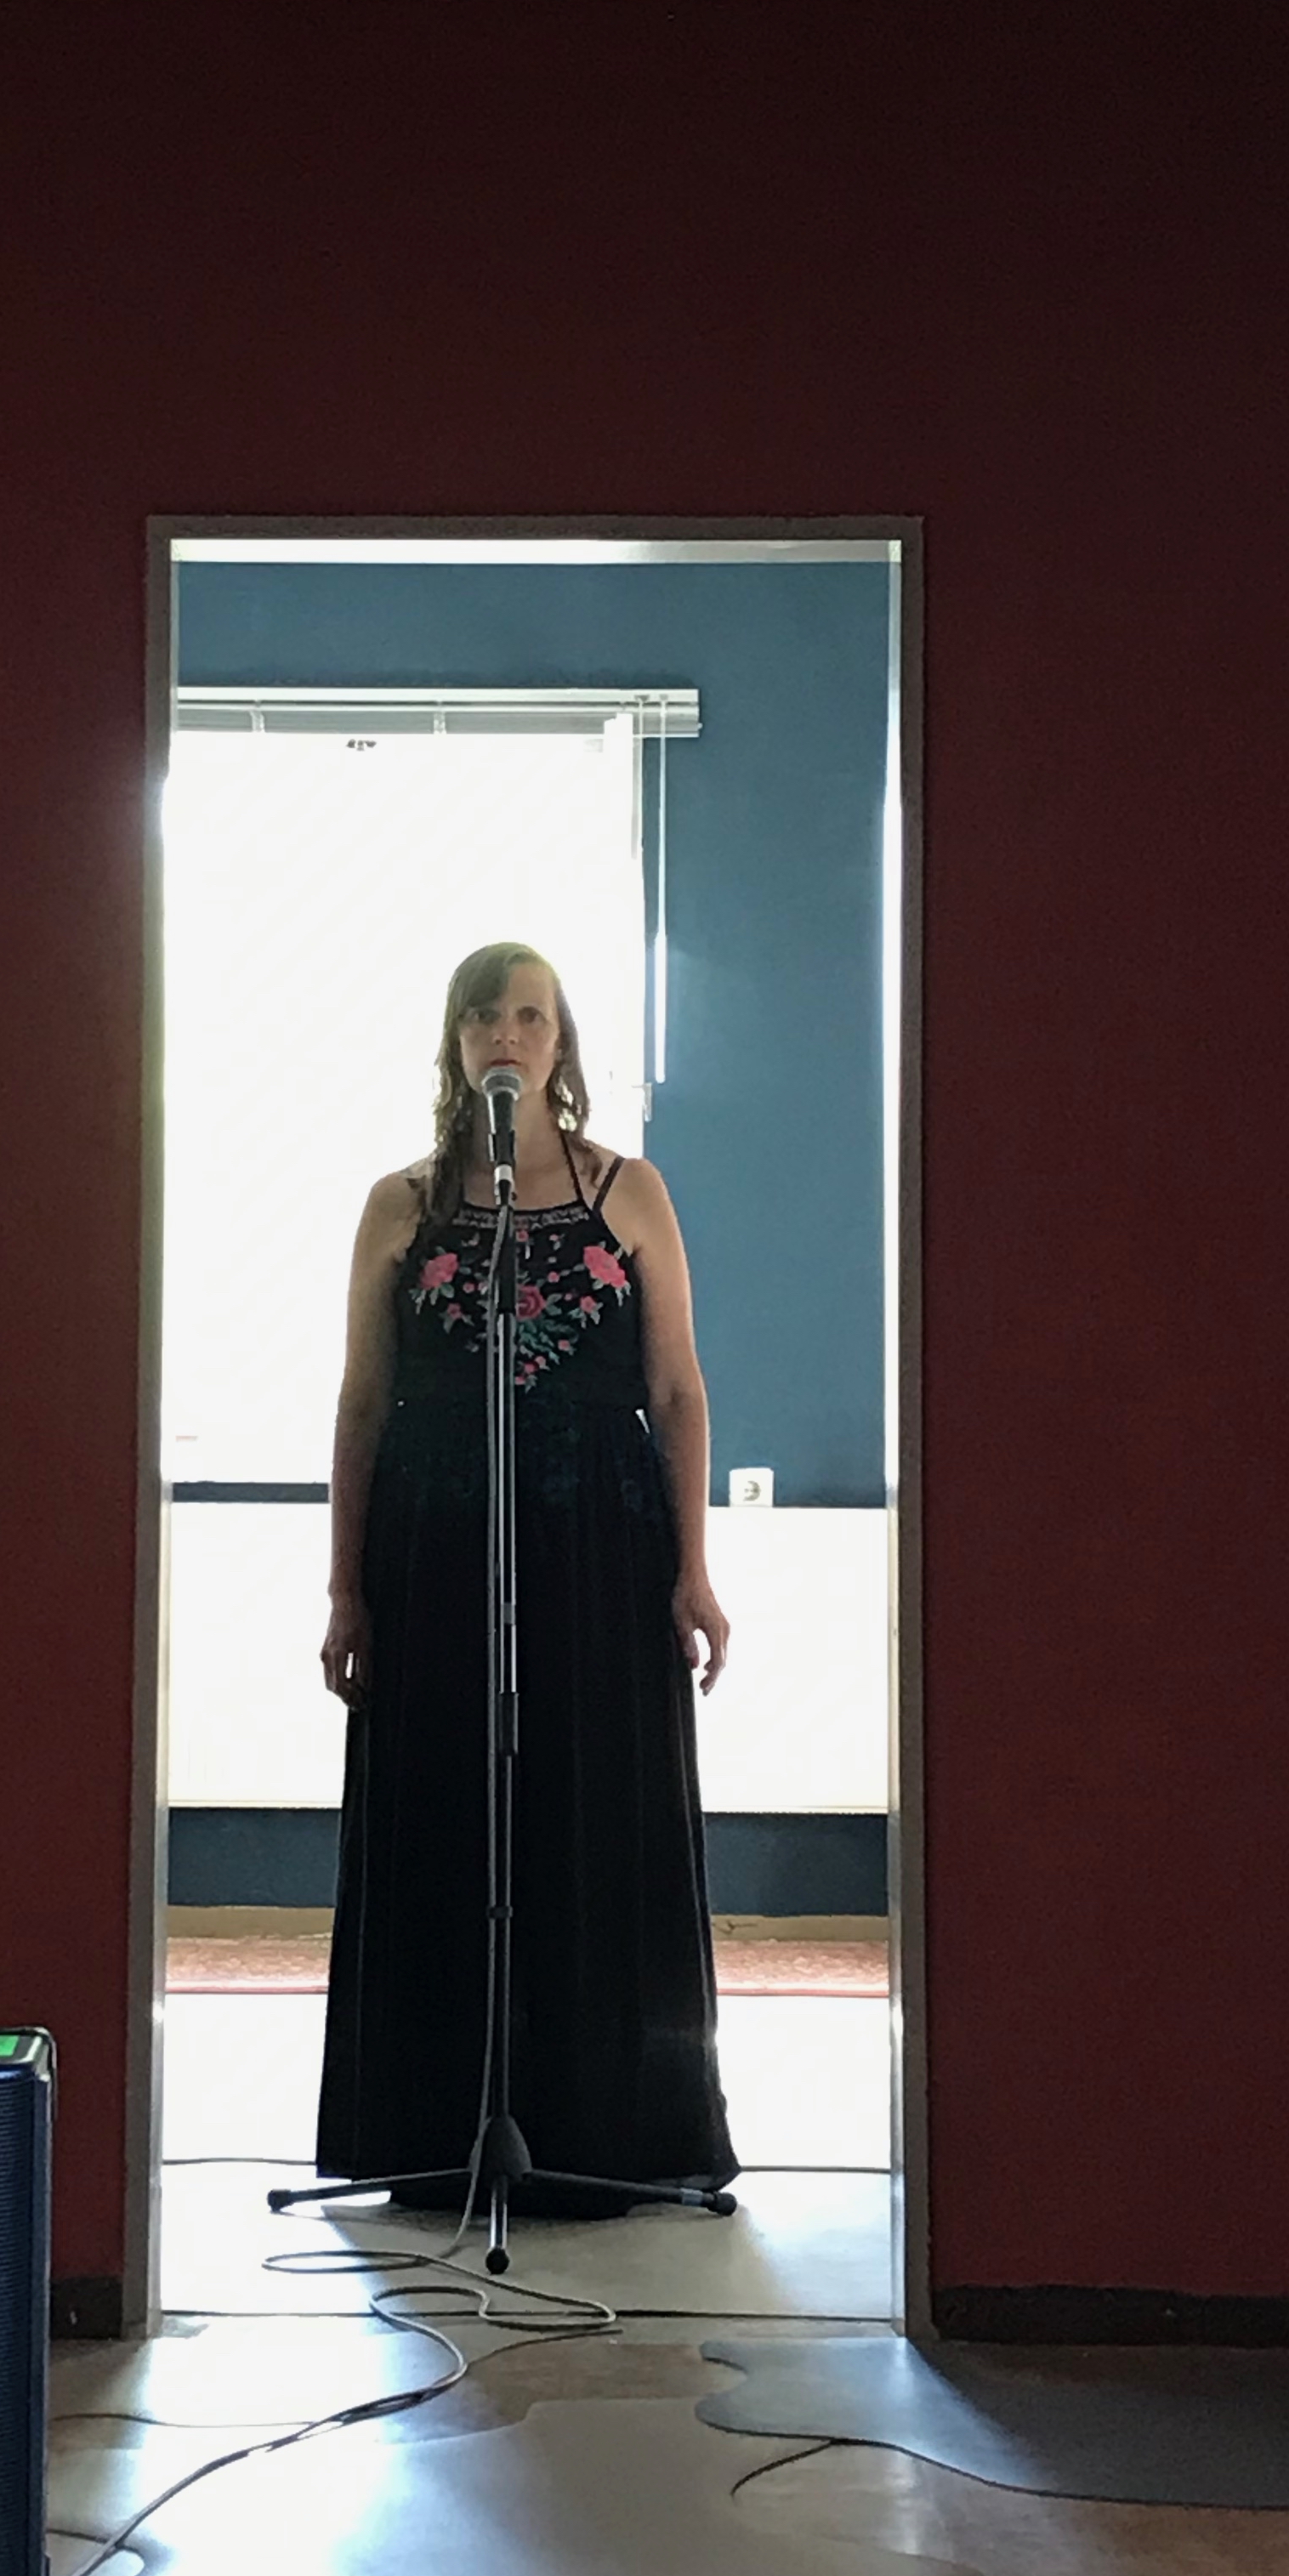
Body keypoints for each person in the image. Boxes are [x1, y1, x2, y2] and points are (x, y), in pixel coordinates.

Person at [314, 939, 739, 2210]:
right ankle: (433, 2124)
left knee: (590, 1809)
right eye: (483, 1016)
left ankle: (609, 2130)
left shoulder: (629, 1191)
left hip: (600, 1551)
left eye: (531, 1016)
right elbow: (362, 1402)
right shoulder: (400, 1204)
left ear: (562, 1043)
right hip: (435, 1549)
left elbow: (677, 1390)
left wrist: (695, 1571)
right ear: (455, 1042)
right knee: (449, 1810)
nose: (507, 1035)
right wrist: (345, 1587)